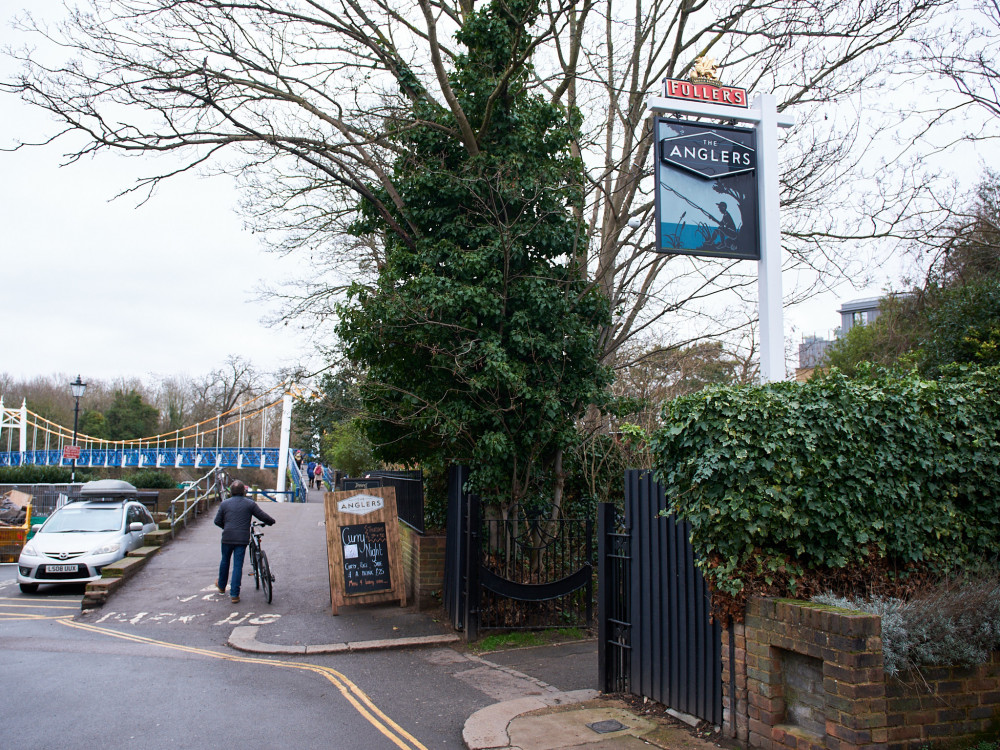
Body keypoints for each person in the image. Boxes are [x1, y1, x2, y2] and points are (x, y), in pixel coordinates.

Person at [214, 480, 275, 603]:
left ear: (231, 492)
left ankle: (221, 587)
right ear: (244, 491)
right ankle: (234, 595)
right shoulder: (249, 504)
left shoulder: (224, 504)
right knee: (237, 565)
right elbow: (262, 516)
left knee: (225, 560)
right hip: (241, 539)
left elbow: (217, 521)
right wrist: (271, 521)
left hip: (227, 537)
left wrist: (226, 527)